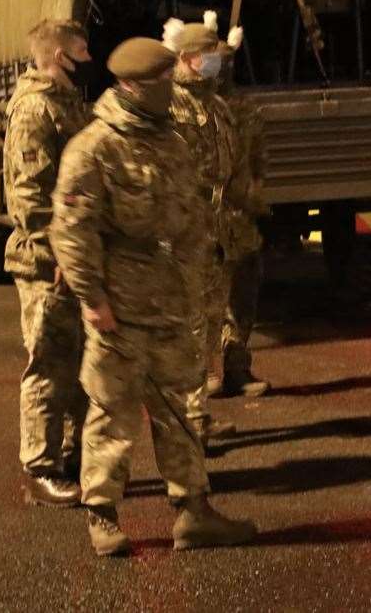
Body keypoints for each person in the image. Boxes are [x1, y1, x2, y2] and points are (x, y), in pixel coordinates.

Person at [51, 37, 255, 556]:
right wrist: (93, 299)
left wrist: (197, 284)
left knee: (182, 411)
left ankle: (193, 513)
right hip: (119, 308)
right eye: (161, 83)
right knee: (112, 413)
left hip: (172, 302)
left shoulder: (172, 141)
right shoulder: (94, 147)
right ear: (131, 85)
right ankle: (102, 516)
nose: (171, 90)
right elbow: (73, 231)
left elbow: (189, 218)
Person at [3, 19, 95, 507]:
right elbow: (29, 196)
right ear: (60, 56)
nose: (88, 56)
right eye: (81, 49)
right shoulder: (35, 110)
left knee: (80, 362)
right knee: (49, 365)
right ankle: (39, 471)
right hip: (45, 263)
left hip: (72, 257)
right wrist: (58, 252)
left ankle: (71, 457)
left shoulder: (66, 103)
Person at [162, 12, 251, 445]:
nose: (217, 63)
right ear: (188, 59)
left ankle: (197, 416)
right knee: (188, 329)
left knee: (209, 327)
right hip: (184, 233)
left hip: (216, 232)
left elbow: (230, 166)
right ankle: (186, 423)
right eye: (210, 56)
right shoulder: (167, 105)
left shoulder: (215, 105)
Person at [213, 25, 271, 399]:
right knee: (203, 307)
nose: (221, 69)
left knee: (243, 300)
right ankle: (198, 380)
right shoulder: (180, 108)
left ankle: (237, 368)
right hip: (203, 226)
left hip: (241, 223)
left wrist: (255, 192)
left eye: (225, 62)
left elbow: (257, 159)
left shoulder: (246, 108)